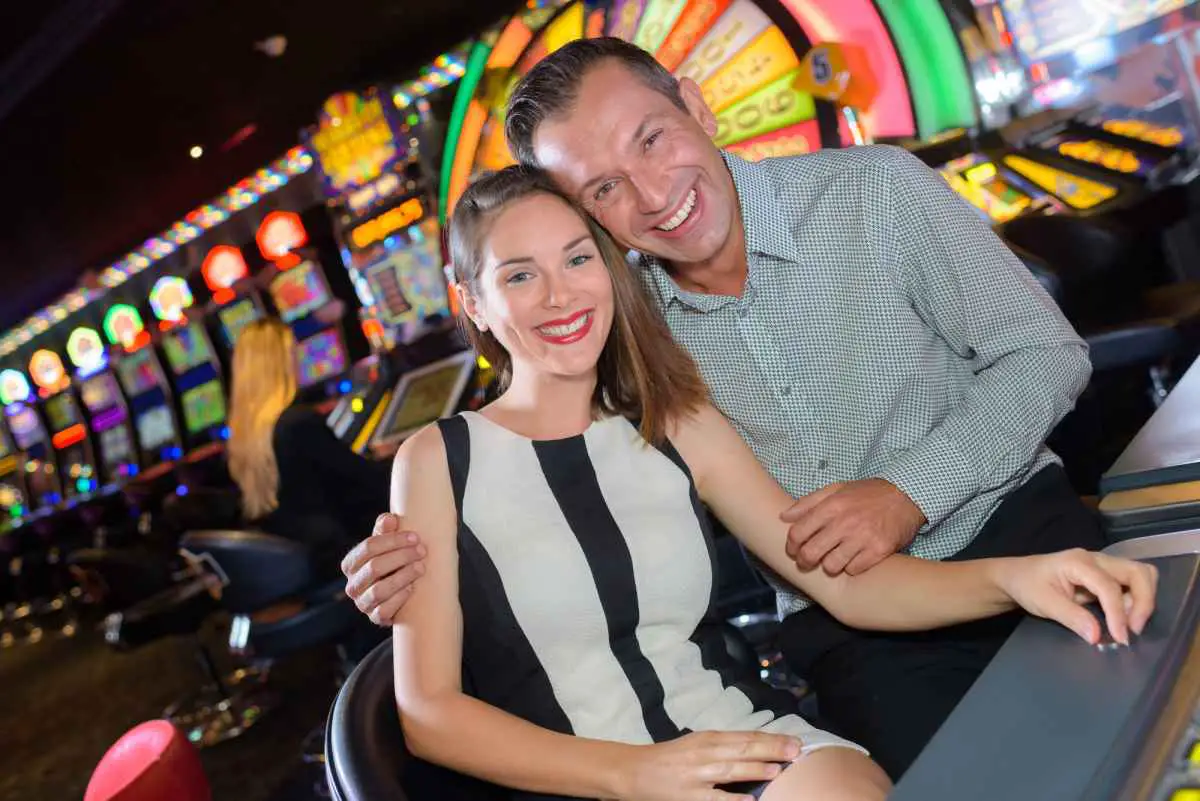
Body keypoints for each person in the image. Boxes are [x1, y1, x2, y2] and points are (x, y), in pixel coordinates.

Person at [345, 38, 1113, 777]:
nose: (651, 194)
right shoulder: (615, 322)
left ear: (697, 107)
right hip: (851, 627)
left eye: (651, 140)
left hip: (1017, 528)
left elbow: (1046, 354)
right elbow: (530, 439)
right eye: (603, 189)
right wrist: (425, 554)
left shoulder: (875, 190)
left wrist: (911, 490)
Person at [227, 318, 390, 575]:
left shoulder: (247, 436)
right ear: (278, 363)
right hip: (342, 554)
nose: (298, 360)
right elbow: (369, 482)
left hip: (308, 558)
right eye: (292, 352)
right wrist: (402, 455)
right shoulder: (297, 422)